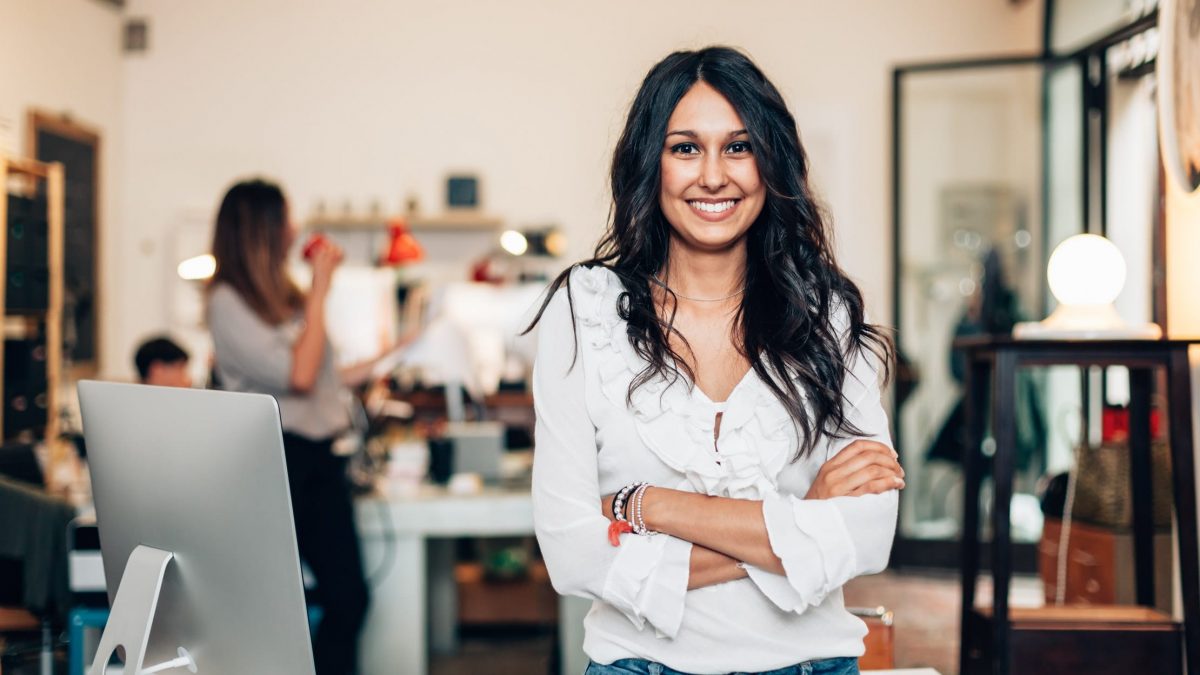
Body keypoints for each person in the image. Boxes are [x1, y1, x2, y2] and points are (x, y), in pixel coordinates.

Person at [527, 47, 903, 675]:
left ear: (770, 163)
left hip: (813, 664)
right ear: (651, 163)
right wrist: (802, 519)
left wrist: (648, 505)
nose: (712, 175)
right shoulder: (584, 310)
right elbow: (572, 554)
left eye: (738, 146)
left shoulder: (826, 314)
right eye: (684, 148)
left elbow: (869, 535)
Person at [205, 178, 380, 675]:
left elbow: (320, 374)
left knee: (348, 598)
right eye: (285, 218)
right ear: (262, 228)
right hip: (276, 460)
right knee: (304, 605)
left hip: (318, 458)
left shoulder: (281, 296)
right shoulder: (227, 303)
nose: (295, 228)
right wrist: (321, 290)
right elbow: (299, 376)